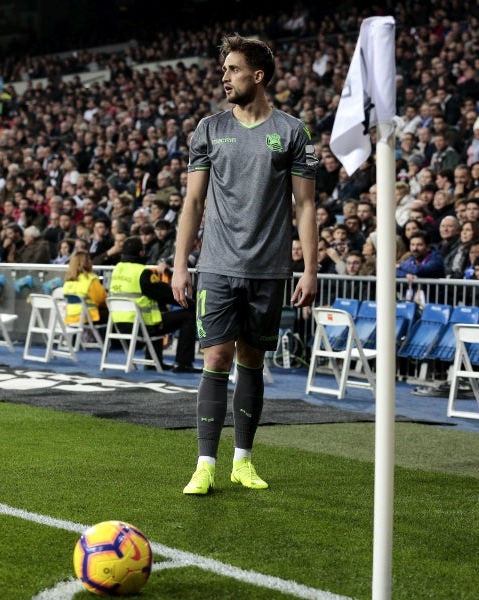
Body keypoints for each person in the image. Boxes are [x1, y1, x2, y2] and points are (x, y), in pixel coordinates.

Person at [170, 34, 318, 495]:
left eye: (233, 69)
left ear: (258, 75)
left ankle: (244, 461)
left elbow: (306, 205)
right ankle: (204, 463)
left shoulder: (293, 131)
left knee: (253, 360)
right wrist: (181, 264)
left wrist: (310, 267)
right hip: (216, 263)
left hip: (269, 267)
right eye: (224, 69)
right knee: (216, 356)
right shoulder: (209, 129)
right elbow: (192, 202)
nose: (224, 77)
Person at [110, 236, 198, 372]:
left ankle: (152, 362)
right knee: (188, 315)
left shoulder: (117, 269)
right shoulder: (142, 273)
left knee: (158, 310)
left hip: (119, 324)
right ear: (141, 253)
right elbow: (168, 294)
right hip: (142, 325)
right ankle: (183, 363)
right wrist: (193, 305)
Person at [62, 250, 108, 326]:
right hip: (88, 317)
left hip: (71, 317)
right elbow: (102, 300)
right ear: (87, 263)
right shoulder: (91, 280)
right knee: (113, 315)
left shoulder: (68, 281)